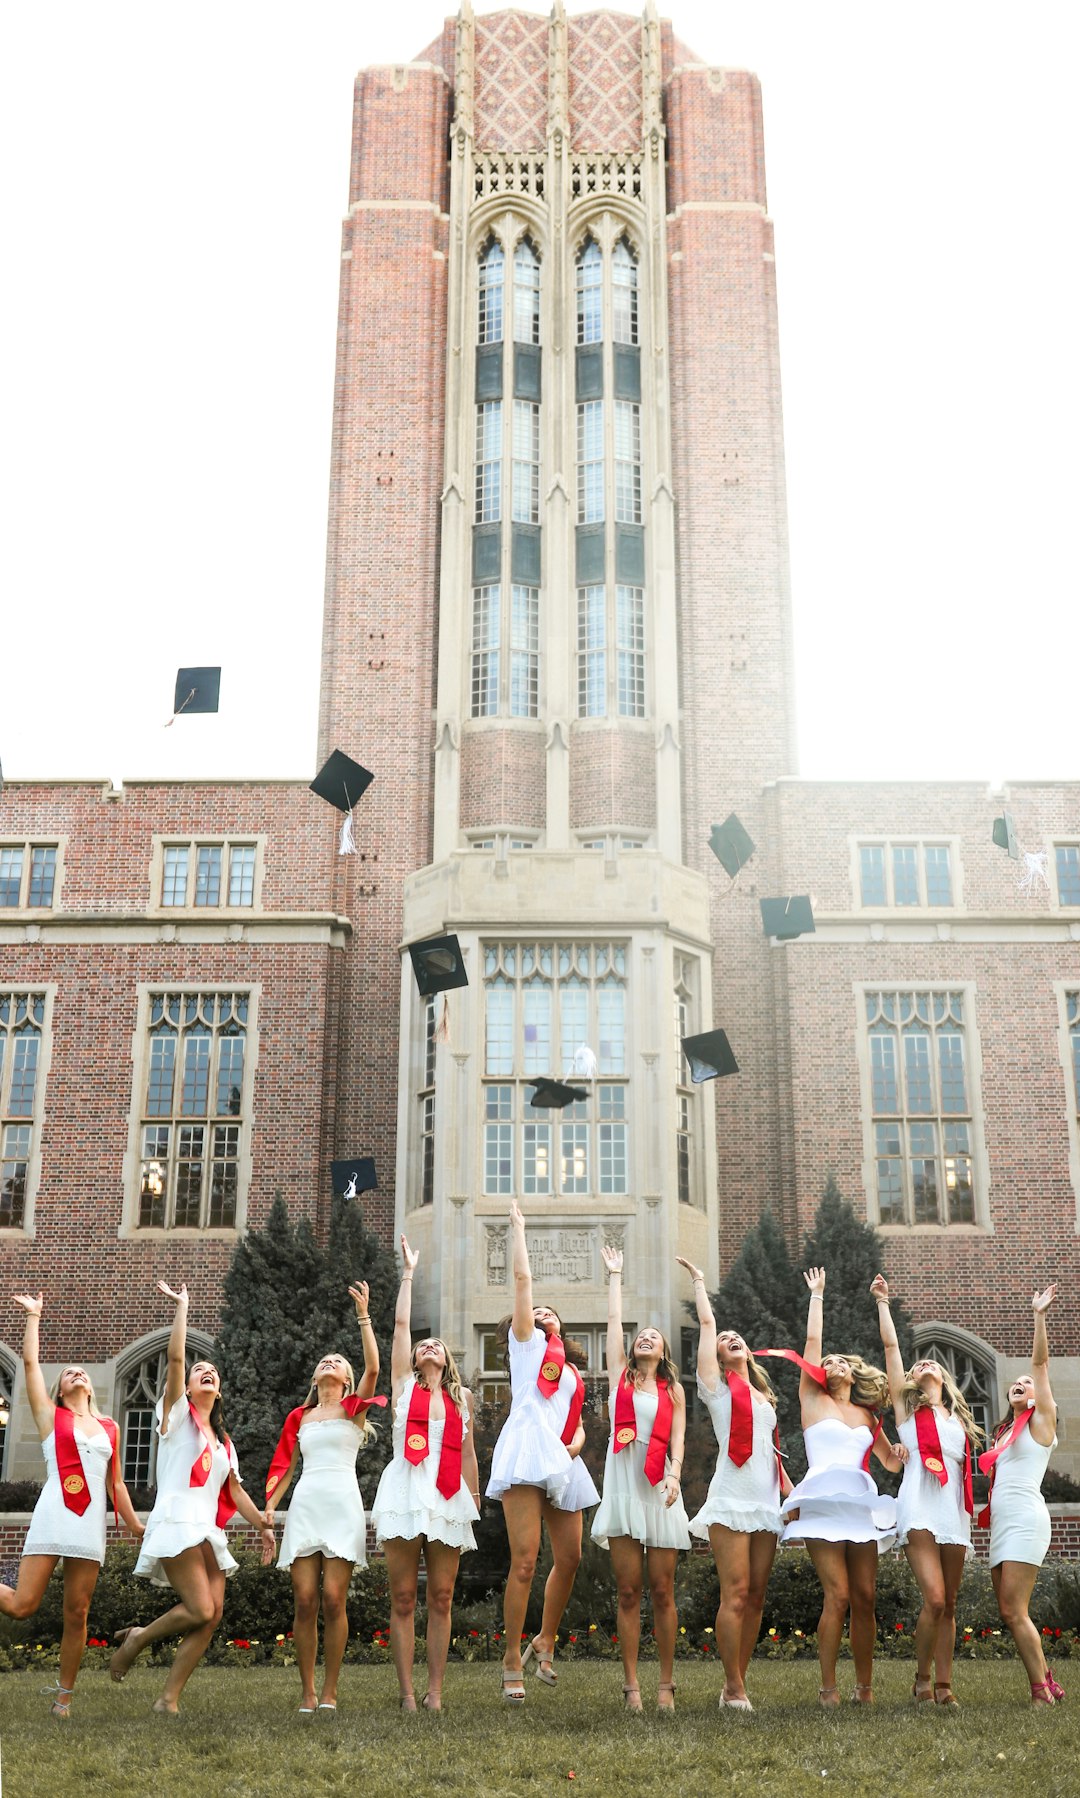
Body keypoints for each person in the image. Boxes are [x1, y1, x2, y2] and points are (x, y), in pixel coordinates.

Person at [109, 1282, 275, 1712]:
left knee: (212, 1615)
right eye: (200, 1371)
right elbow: (177, 1358)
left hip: (209, 1529)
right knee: (200, 1608)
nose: (206, 1373)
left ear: (219, 1391)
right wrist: (182, 1308)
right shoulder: (177, 1417)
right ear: (186, 1385)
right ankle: (138, 1639)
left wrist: (263, 1527)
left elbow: (234, 1490)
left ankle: (168, 1699)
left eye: (214, 1373)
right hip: (177, 1518)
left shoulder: (224, 1441)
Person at [0, 1293, 142, 1716]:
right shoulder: (50, 1417)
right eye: (67, 1373)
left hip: (88, 1524)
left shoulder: (110, 1428)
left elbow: (116, 1484)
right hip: (54, 1515)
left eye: (80, 1371)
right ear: (60, 1391)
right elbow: (28, 1367)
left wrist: (136, 1526)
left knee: (77, 1612)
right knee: (23, 1606)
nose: (76, 1373)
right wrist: (33, 1317)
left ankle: (63, 1699)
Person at [487, 1201, 599, 1704]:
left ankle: (544, 1638)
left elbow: (573, 1421)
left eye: (550, 1311)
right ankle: (512, 1656)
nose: (541, 1310)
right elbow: (522, 1281)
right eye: (535, 1309)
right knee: (526, 1562)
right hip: (528, 1454)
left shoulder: (572, 1369)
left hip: (563, 1457)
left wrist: (577, 1443)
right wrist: (519, 1230)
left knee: (571, 1556)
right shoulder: (527, 1346)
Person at [779, 1266, 905, 1706]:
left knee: (865, 1597)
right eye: (825, 1362)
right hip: (820, 1501)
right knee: (839, 1595)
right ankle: (828, 1686)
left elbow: (888, 1458)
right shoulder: (812, 1400)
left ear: (853, 1372)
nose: (829, 1363)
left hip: (859, 1503)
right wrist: (817, 1296)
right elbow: (810, 1348)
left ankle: (865, 1688)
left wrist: (904, 1455)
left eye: (838, 1360)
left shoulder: (869, 1416)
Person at [263, 1279, 383, 1715]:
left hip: (342, 1504)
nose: (329, 1362)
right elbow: (283, 1466)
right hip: (307, 1506)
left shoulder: (355, 1409)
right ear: (316, 1377)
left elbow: (374, 1366)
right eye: (323, 1361)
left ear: (346, 1380)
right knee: (305, 1599)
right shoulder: (301, 1416)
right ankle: (308, 1691)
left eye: (337, 1361)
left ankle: (331, 1690)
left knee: (334, 1599)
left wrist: (363, 1316)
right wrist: (270, 1511)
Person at [371, 1237, 481, 1711]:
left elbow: (471, 1455)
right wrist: (410, 1272)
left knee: (441, 1596)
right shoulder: (401, 1389)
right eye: (423, 1344)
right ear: (414, 1359)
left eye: (436, 1344)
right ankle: (407, 1693)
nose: (428, 1346)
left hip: (448, 1493)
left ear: (446, 1359)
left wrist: (473, 1502)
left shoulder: (462, 1400)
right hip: (405, 1490)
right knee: (401, 1597)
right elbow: (398, 1325)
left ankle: (436, 1692)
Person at [678, 1256, 790, 1713]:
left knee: (758, 1594)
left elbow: (772, 1448)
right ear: (719, 1358)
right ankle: (734, 1686)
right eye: (725, 1341)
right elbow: (707, 1323)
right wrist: (701, 1283)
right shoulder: (716, 1388)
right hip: (730, 1494)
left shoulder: (764, 1396)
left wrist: (790, 1489)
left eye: (735, 1337)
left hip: (765, 1498)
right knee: (736, 1591)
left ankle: (734, 1685)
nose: (730, 1340)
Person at [871, 1274, 981, 1707]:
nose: (923, 1366)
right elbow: (893, 1351)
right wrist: (883, 1302)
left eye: (930, 1364)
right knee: (933, 1598)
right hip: (918, 1505)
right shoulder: (906, 1414)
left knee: (949, 1604)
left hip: (953, 1509)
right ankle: (921, 1678)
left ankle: (944, 1686)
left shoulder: (958, 1419)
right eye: (919, 1367)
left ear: (944, 1377)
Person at [591, 1245, 689, 1713]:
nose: (646, 1337)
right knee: (629, 1590)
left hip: (660, 1491)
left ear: (665, 1351)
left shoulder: (674, 1392)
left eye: (655, 1335)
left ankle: (666, 1684)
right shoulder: (620, 1381)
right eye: (641, 1335)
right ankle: (631, 1685)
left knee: (663, 1589)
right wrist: (615, 1277)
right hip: (625, 1489)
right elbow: (612, 1329)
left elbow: (680, 1443)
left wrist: (674, 1475)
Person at [984, 1284, 1063, 1706]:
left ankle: (1039, 1693)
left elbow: (1040, 1362)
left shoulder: (1041, 1425)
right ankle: (1047, 1680)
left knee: (1015, 1610)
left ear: (1038, 1396)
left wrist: (1039, 1316)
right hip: (1001, 1524)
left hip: (1026, 1520)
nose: (1021, 1383)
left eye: (1027, 1383)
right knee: (1009, 1611)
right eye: (1015, 1382)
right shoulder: (1001, 1432)